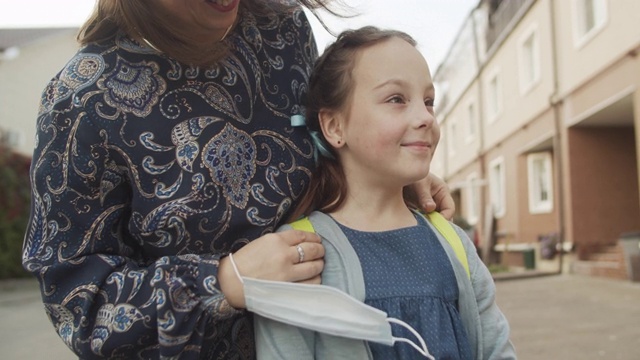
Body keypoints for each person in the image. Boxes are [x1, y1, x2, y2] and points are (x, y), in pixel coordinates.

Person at [22, 1, 455, 359]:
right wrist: (224, 280)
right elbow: (78, 305)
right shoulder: (79, 102)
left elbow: (327, 134)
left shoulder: (281, 27)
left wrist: (386, 172)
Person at [249, 26, 517, 359]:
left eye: (429, 101)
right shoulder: (297, 255)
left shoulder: (452, 242)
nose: (424, 117)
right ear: (334, 126)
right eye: (396, 99)